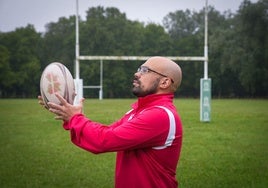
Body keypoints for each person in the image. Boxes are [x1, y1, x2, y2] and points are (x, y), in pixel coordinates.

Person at [38, 56, 183, 188]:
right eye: (139, 69)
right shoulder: (138, 111)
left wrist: (75, 119)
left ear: (165, 82)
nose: (137, 74)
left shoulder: (161, 115)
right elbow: (106, 133)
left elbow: (105, 140)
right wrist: (68, 115)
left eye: (145, 70)